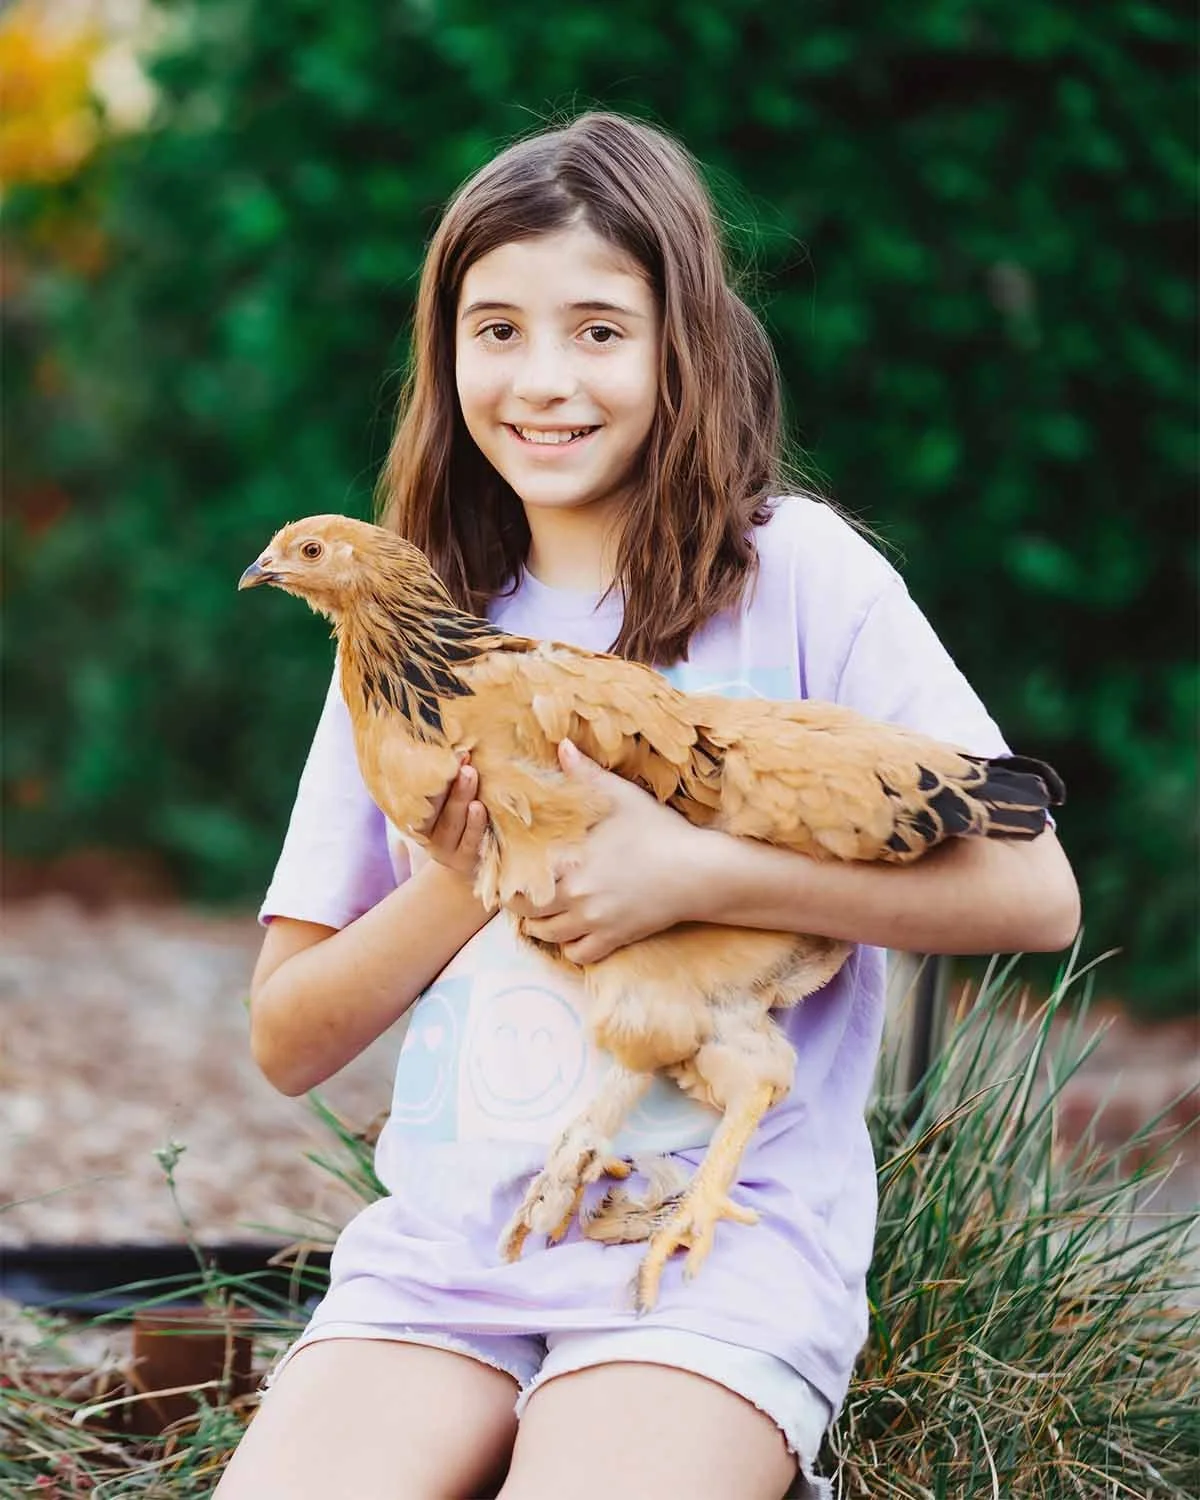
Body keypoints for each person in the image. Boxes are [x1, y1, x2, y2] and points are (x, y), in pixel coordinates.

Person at [214, 112, 1079, 1500]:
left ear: (687, 345)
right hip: (446, 1260)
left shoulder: (800, 574)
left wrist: (689, 874)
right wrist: (467, 871)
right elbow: (286, 1037)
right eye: (496, 330)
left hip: (716, 1262)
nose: (545, 378)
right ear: (445, 356)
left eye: (600, 331)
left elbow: (1037, 897)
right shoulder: (401, 634)